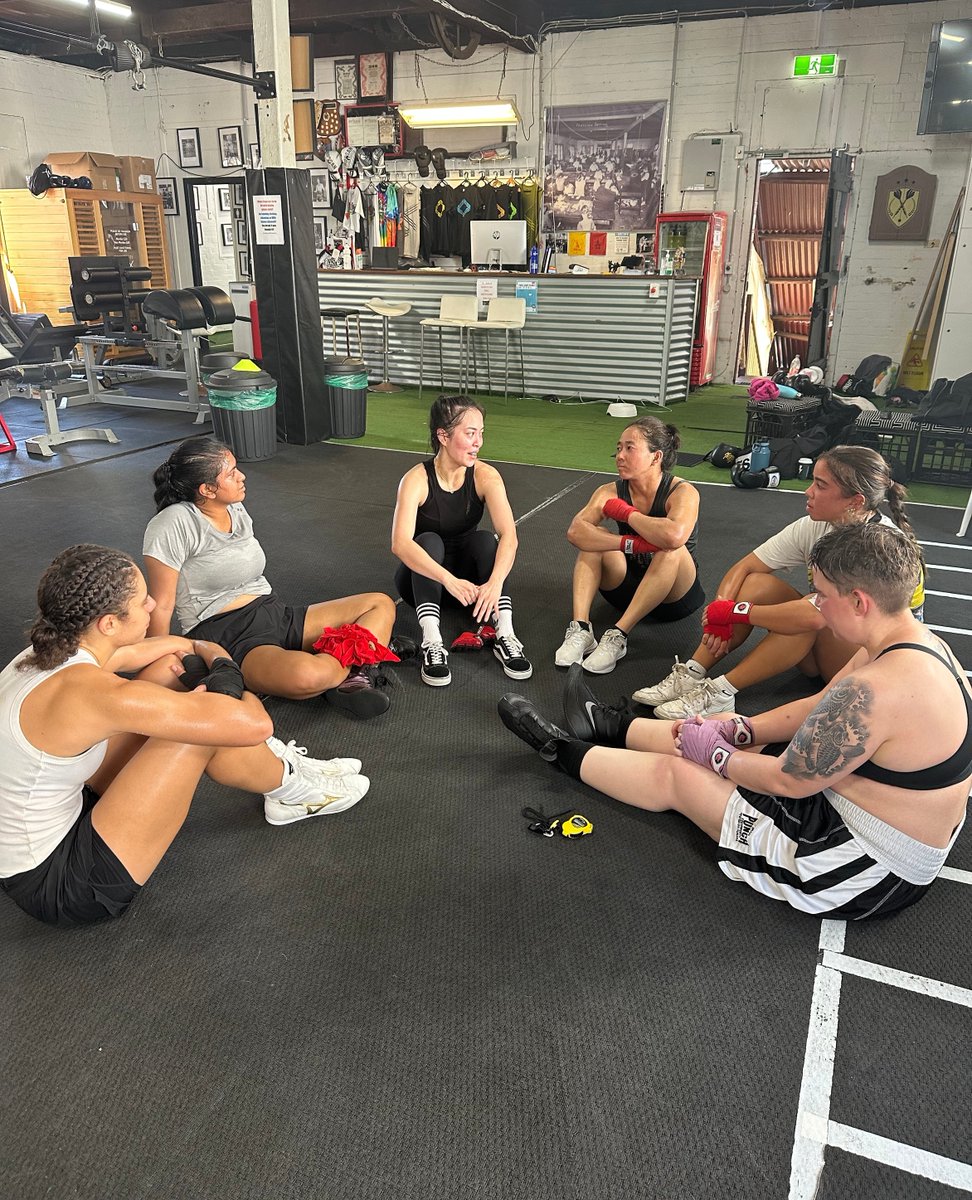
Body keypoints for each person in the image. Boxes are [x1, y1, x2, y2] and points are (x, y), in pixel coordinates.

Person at [500, 522, 968, 920]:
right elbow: (818, 705)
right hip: (862, 812)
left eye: (823, 596)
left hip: (861, 867)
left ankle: (561, 750)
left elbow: (788, 781)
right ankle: (608, 727)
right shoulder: (914, 643)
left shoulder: (876, 690)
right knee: (730, 726)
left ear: (860, 601)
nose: (817, 606)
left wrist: (716, 754)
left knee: (682, 776)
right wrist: (738, 730)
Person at [0, 545, 371, 928]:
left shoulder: (48, 654)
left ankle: (279, 771)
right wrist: (224, 668)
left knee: (170, 670)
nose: (153, 605)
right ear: (108, 624)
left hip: (64, 810)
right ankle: (295, 791)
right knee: (200, 730)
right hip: (62, 884)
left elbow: (155, 651)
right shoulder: (94, 694)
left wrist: (200, 648)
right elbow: (254, 724)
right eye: (142, 601)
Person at [636, 445, 925, 719]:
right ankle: (692, 672)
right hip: (830, 642)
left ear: (855, 501)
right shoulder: (816, 525)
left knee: (809, 613)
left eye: (821, 485)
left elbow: (815, 615)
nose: (808, 491)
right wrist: (719, 616)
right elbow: (745, 567)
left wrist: (735, 612)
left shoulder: (878, 545)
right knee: (758, 585)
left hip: (871, 667)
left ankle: (722, 691)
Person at [143, 436, 399, 719]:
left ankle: (349, 673)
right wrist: (159, 659)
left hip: (273, 611)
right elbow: (162, 604)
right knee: (310, 675)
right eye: (231, 473)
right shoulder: (173, 523)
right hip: (229, 634)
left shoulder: (234, 507)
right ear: (207, 489)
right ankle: (359, 663)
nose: (242, 477)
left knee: (379, 604)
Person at [391, 395, 531, 688]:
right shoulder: (416, 480)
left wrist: (494, 584)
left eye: (481, 433)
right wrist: (448, 580)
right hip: (423, 583)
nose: (478, 442)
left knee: (485, 540)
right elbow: (400, 543)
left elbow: (509, 535)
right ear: (443, 436)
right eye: (470, 433)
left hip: (470, 592)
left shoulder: (486, 476)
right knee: (428, 541)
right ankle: (432, 642)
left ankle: (505, 633)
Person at [553, 415, 705, 674]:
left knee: (670, 550)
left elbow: (674, 536)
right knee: (594, 539)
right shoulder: (609, 490)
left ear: (656, 457)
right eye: (619, 448)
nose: (619, 456)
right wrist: (629, 544)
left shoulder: (682, 492)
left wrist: (627, 514)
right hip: (628, 589)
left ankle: (618, 635)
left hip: (674, 597)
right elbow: (576, 531)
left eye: (629, 448)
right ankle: (581, 629)